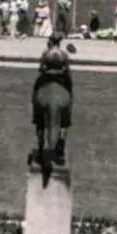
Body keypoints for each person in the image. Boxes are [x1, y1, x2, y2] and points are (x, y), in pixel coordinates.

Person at [32, 34, 73, 163]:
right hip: (60, 81)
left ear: (50, 41)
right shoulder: (63, 54)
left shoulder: (46, 53)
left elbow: (41, 69)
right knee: (69, 95)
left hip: (47, 80)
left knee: (36, 91)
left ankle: (40, 144)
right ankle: (61, 139)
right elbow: (67, 70)